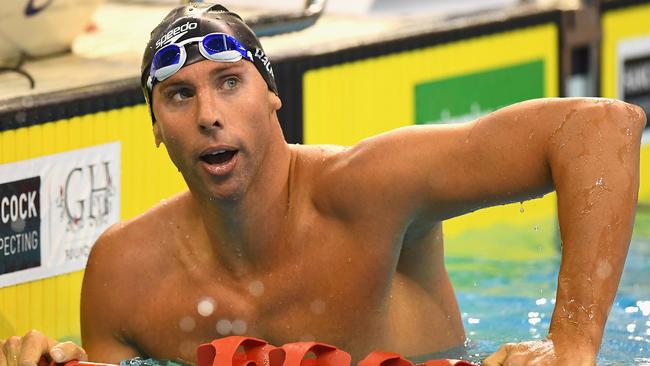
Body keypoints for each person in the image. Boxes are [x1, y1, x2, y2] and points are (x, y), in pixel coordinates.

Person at [1, 3, 646, 366]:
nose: (208, 114)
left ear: (272, 96)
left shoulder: (370, 191)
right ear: (156, 129)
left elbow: (602, 130)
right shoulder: (125, 274)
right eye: (178, 96)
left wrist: (571, 343)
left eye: (230, 81)